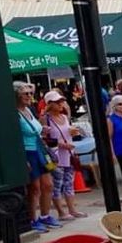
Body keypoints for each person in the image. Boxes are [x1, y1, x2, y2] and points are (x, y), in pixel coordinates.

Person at [41, 90, 87, 221]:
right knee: (57, 183)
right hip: (55, 157)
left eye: (62, 101)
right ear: (50, 104)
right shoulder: (46, 119)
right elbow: (44, 139)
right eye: (57, 102)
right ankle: (61, 212)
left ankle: (72, 209)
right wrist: (61, 144)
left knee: (69, 182)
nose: (61, 104)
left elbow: (68, 133)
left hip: (69, 154)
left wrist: (72, 135)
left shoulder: (65, 117)